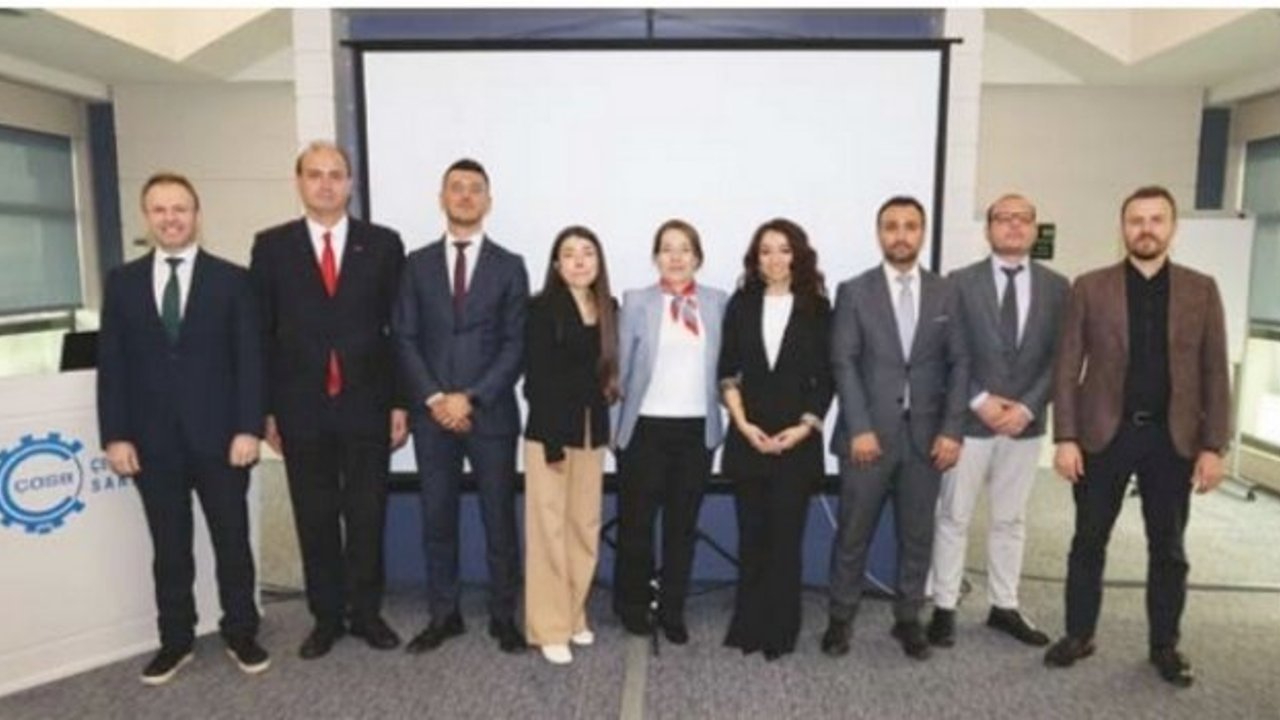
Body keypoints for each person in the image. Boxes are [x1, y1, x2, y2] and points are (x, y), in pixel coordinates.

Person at [1044, 186, 1230, 688]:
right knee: (1088, 541)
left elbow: (1215, 372)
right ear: (1123, 228)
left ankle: (1164, 645)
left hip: (1172, 439)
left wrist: (1214, 445)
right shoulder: (1090, 287)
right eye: (1135, 220)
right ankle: (1079, 634)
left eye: (1156, 219)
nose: (1145, 229)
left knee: (1168, 548)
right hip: (1104, 435)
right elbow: (1067, 367)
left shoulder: (1201, 290)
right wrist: (1066, 437)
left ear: (1172, 227)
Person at [97, 172, 268, 684]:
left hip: (223, 440)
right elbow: (113, 366)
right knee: (169, 548)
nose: (170, 218)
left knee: (232, 541)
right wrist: (115, 435)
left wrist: (248, 428)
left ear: (196, 215)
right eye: (160, 209)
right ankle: (175, 640)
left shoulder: (233, 279)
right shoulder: (122, 283)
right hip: (153, 444)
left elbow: (250, 361)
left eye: (180, 209)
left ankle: (241, 631)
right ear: (147, 217)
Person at [250, 141, 407, 659]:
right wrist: (266, 410)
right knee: (314, 517)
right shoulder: (271, 247)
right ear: (299, 182)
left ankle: (366, 613)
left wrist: (400, 402)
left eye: (335, 174)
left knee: (367, 516)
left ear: (350, 184)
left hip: (367, 404)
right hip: (300, 408)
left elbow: (399, 331)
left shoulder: (382, 244)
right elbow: (261, 334)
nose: (325, 184)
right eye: (314, 174)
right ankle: (326, 618)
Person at [823, 196, 968, 661]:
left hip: (927, 439)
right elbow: (843, 362)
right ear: (879, 233)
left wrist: (952, 430)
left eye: (910, 226)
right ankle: (840, 618)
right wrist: (859, 428)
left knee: (917, 535)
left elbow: (961, 363)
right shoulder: (854, 291)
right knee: (853, 534)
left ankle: (908, 618)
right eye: (891, 226)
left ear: (922, 233)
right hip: (867, 437)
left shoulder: (946, 292)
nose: (901, 235)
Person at [393, 158, 529, 654]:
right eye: (457, 188)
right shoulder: (416, 264)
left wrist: (469, 397)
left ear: (488, 201)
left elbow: (515, 345)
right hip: (432, 416)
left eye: (475, 189)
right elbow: (404, 337)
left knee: (499, 520)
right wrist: (435, 398)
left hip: (489, 413)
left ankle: (503, 617)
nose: (466, 196)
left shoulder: (510, 265)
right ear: (442, 198)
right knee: (437, 519)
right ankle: (443, 615)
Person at [926, 194, 1069, 649]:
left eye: (1022, 218)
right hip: (969, 421)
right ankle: (944, 605)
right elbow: (945, 350)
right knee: (953, 516)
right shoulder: (959, 282)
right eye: (1003, 219)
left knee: (1011, 519)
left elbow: (1061, 357)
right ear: (988, 229)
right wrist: (980, 400)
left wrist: (1027, 407)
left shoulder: (1057, 287)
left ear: (1034, 228)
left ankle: (1004, 605)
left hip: (1025, 424)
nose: (1013, 226)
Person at [719, 218, 833, 660]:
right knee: (752, 537)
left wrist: (803, 428)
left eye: (784, 250)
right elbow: (727, 370)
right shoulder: (741, 304)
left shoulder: (818, 308)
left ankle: (781, 629)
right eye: (765, 251)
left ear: (798, 255)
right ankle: (748, 626)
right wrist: (743, 424)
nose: (775, 259)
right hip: (748, 437)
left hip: (796, 441)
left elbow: (826, 377)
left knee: (786, 539)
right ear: (756, 259)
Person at [613, 219, 728, 643]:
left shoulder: (718, 302)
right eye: (667, 249)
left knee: (682, 527)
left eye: (685, 249)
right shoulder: (636, 302)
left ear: (698, 257)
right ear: (655, 257)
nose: (676, 257)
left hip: (697, 432)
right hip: (644, 429)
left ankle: (672, 609)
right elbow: (618, 373)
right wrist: (615, 433)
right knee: (637, 526)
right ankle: (633, 605)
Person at [522, 225, 620, 664]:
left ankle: (573, 613)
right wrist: (553, 444)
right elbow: (535, 380)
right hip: (551, 434)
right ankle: (548, 627)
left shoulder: (609, 309)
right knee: (549, 531)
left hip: (591, 433)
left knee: (584, 527)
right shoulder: (540, 308)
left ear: (599, 262)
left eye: (588, 253)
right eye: (569, 253)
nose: (579, 261)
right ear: (556, 265)